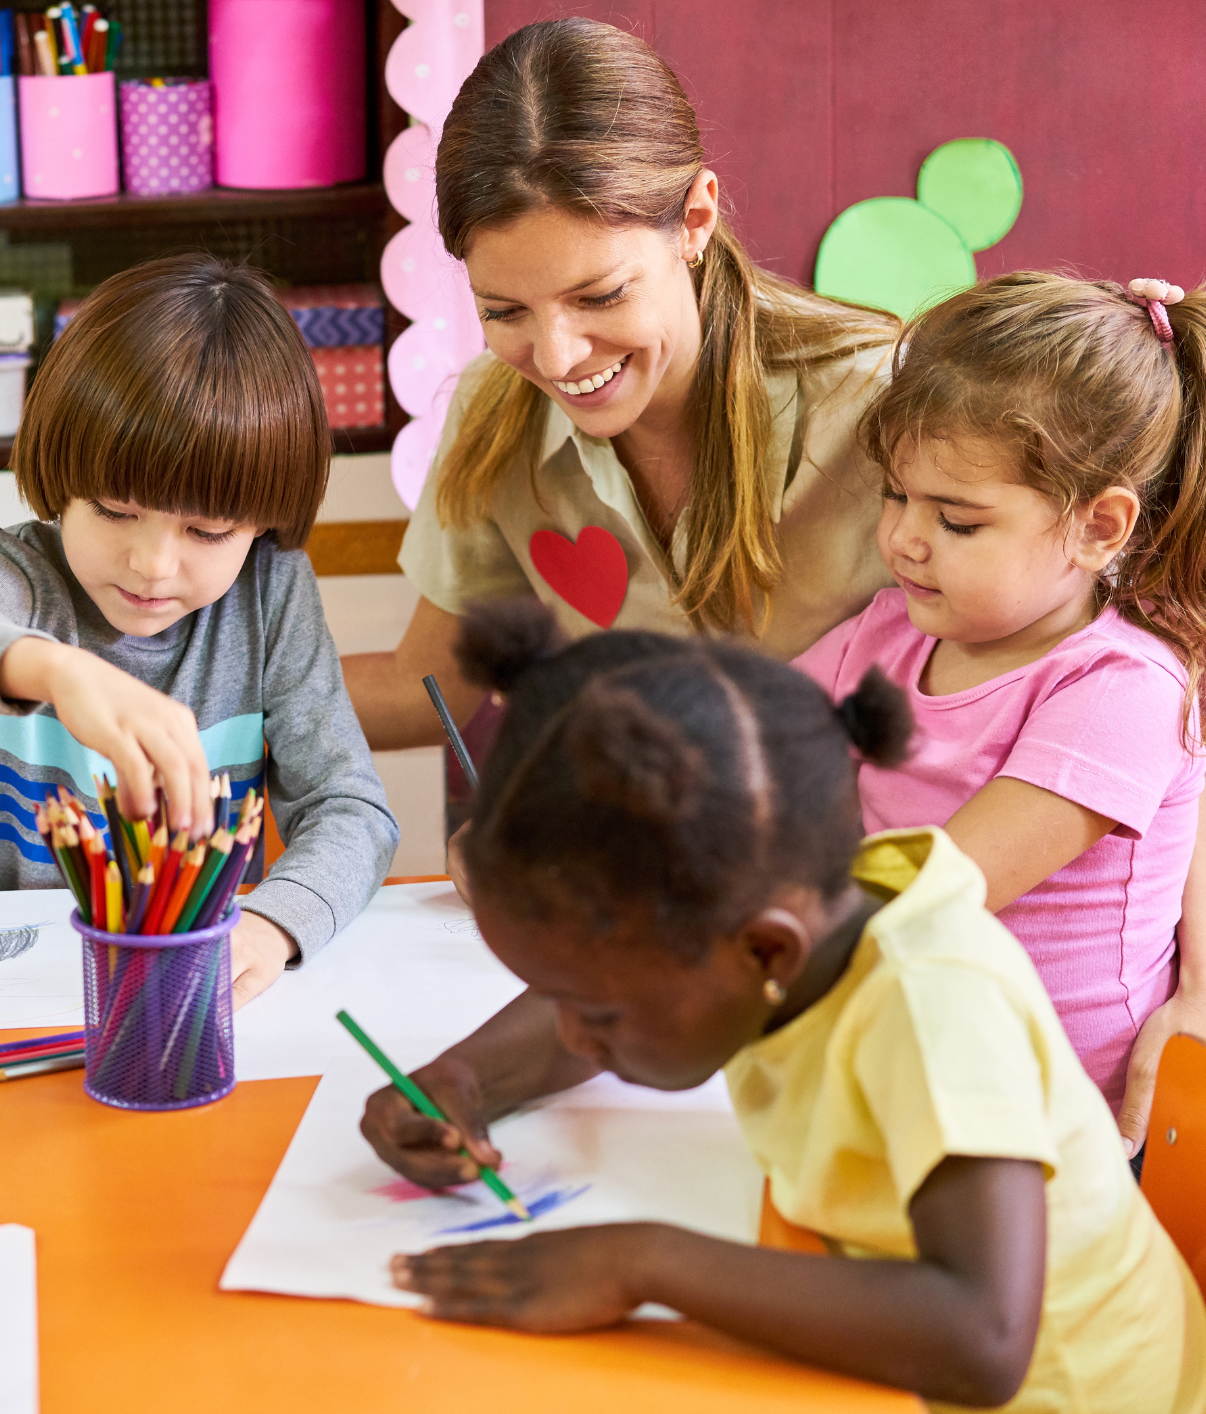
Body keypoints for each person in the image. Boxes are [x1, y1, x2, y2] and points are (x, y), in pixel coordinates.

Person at [360, 601, 1203, 1414]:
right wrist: (461, 1078)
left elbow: (982, 1338)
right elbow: (617, 992)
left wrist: (640, 1261)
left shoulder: (930, 1002)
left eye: (602, 1016)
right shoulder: (796, 920)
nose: (577, 1032)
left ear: (766, 952)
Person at [0, 253, 398, 1007]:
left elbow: (350, 807)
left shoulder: (270, 595)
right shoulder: (12, 577)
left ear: (263, 525)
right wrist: (58, 672)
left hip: (180, 1003)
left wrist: (273, 924)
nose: (152, 564)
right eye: (113, 510)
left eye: (206, 531)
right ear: (63, 481)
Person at [343, 16, 897, 759]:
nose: (559, 356)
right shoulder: (492, 412)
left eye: (600, 296)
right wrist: (166, 708)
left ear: (695, 220)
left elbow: (1038, 683)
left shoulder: (883, 406)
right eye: (503, 312)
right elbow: (423, 687)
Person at [795, 274, 1206, 1158]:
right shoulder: (892, 627)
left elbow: (936, 890)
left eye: (958, 521)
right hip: (914, 1066)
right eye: (897, 496)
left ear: (1100, 526)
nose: (906, 539)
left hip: (1053, 1131)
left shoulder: (1124, 687)